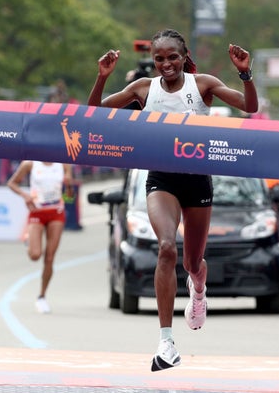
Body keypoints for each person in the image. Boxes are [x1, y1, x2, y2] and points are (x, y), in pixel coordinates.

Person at [87, 28, 259, 371]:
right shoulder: (143, 89)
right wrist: (102, 78)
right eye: (159, 58)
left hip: (197, 181)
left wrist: (245, 74)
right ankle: (166, 343)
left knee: (193, 263)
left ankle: (198, 291)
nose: (166, 64)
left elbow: (250, 108)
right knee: (166, 247)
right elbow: (93, 114)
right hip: (161, 178)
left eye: (173, 57)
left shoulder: (203, 85)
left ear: (184, 57)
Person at [7, 161, 73, 314]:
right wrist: (25, 196)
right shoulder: (29, 164)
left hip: (56, 212)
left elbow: (69, 197)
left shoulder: (64, 165)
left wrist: (69, 185)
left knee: (49, 257)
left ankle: (42, 296)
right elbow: (11, 183)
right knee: (35, 255)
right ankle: (30, 240)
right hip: (37, 211)